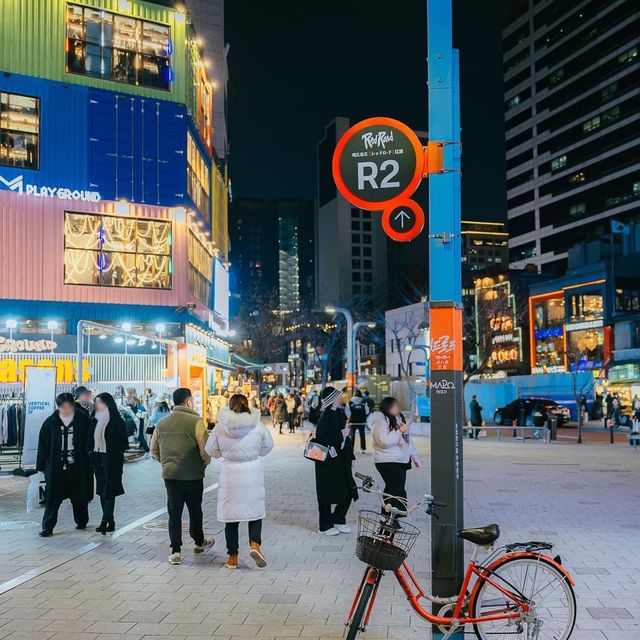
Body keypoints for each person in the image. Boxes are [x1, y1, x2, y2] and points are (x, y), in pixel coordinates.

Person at [205, 394, 274, 569]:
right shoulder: (257, 426)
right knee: (254, 511)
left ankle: (232, 557)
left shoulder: (220, 428)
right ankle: (255, 545)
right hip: (252, 472)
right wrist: (256, 453)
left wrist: (223, 453)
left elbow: (211, 449)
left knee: (231, 516)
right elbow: (268, 446)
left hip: (230, 473)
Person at [151, 387, 214, 565]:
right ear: (188, 402)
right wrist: (204, 463)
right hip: (193, 475)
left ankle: (176, 551)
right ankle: (199, 542)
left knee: (174, 512)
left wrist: (165, 462)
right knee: (195, 510)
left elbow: (153, 449)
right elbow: (205, 449)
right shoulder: (196, 421)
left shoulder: (162, 423)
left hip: (170, 476)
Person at [36, 393, 94, 537]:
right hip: (56, 468)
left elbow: (89, 442)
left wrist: (91, 460)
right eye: (63, 407)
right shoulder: (50, 422)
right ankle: (47, 526)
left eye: (69, 407)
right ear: (58, 407)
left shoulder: (83, 420)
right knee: (52, 497)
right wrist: (41, 467)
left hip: (78, 465)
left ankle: (81, 521)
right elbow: (43, 445)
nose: (66, 410)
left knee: (79, 496)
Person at [314, 386, 358, 536]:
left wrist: (351, 457)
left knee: (348, 490)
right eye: (338, 396)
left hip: (341, 459)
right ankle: (324, 525)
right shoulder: (325, 416)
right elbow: (322, 438)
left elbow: (346, 438)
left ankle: (338, 519)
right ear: (331, 399)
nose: (341, 398)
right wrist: (341, 434)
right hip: (327, 462)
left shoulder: (339, 413)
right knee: (326, 493)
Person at [369, 397, 420, 521]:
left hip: (401, 460)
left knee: (391, 489)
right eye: (395, 406)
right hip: (387, 461)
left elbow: (408, 439)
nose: (398, 408)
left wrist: (414, 456)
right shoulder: (380, 422)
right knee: (397, 490)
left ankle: (385, 518)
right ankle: (393, 519)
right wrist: (399, 431)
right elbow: (384, 442)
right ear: (388, 408)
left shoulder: (399, 419)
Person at [92, 393, 129, 534]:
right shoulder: (94, 420)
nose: (97, 405)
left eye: (100, 402)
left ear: (108, 403)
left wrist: (115, 451)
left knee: (109, 491)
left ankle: (104, 521)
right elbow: (90, 439)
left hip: (112, 460)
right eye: (96, 402)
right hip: (98, 458)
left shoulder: (117, 421)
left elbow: (123, 442)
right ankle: (110, 521)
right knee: (102, 492)